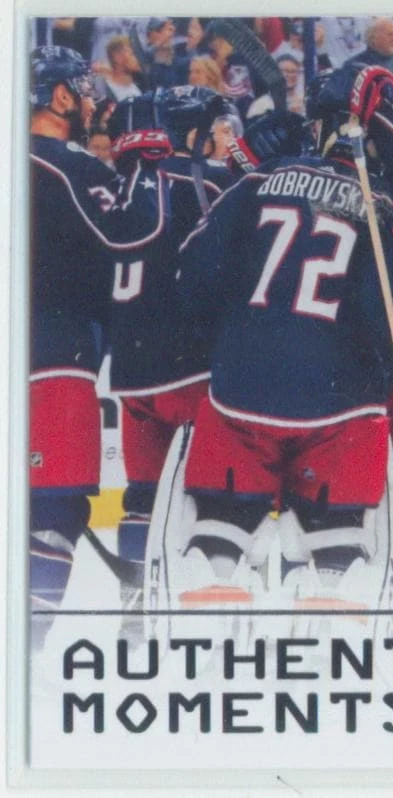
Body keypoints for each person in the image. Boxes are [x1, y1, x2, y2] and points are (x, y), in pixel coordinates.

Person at [172, 65, 393, 611]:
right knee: (335, 539)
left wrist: (229, 335)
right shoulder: (386, 204)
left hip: (240, 388)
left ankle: (213, 627)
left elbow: (194, 269)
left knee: (222, 526)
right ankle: (328, 617)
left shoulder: (257, 181)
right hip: (340, 400)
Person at [29, 46, 169, 647]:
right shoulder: (67, 164)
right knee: (54, 512)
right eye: (85, 93)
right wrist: (144, 168)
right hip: (53, 354)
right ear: (60, 96)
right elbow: (132, 238)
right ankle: (24, 651)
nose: (93, 105)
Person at [105, 87, 241, 597]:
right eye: (223, 130)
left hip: (130, 373)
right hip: (192, 368)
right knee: (216, 494)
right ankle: (206, 607)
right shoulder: (216, 182)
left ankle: (134, 601)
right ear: (196, 135)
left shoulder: (123, 183)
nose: (230, 140)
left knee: (142, 494)